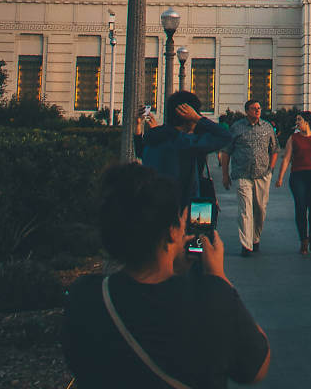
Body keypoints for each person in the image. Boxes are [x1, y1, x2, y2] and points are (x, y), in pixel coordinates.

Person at [62, 163, 270, 387]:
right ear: (172, 232)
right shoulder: (214, 301)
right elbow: (256, 368)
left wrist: (174, 269)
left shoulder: (85, 296)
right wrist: (218, 277)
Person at [141, 91, 232, 208]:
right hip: (179, 206)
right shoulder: (184, 142)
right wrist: (198, 118)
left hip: (153, 203)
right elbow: (225, 136)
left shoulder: (152, 138)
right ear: (186, 114)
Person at [220, 99, 278, 257]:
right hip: (242, 174)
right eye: (254, 108)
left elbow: (274, 149)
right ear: (247, 111)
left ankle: (255, 238)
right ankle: (246, 245)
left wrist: (271, 170)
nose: (257, 111)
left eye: (259, 108)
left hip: (262, 175)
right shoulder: (236, 128)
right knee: (245, 210)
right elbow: (226, 152)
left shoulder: (267, 128)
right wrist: (225, 175)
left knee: (260, 209)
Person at [276, 111, 311, 255]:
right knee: (300, 208)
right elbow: (286, 158)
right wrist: (280, 177)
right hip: (298, 176)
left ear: (307, 122)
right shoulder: (293, 138)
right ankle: (303, 240)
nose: (297, 123)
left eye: (299, 120)